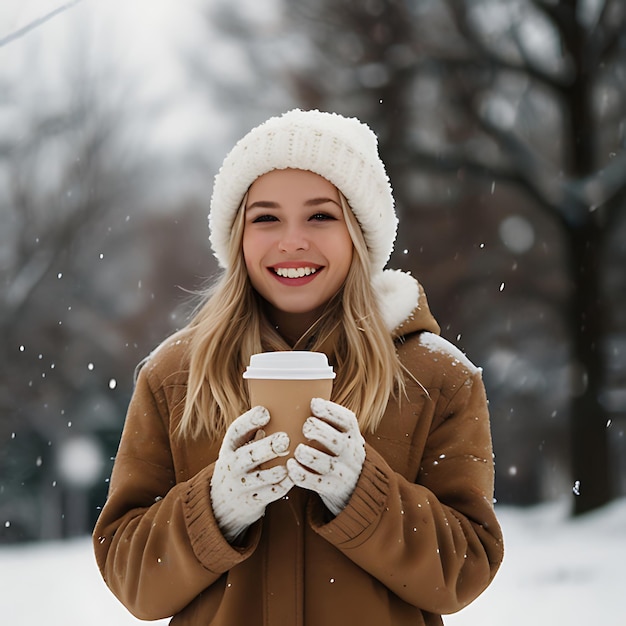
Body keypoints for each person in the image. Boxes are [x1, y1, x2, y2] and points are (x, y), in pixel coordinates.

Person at [93, 109, 503, 626]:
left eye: (321, 216)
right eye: (265, 217)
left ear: (360, 232)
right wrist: (214, 510)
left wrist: (364, 495)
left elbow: (465, 568)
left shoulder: (436, 377)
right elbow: (131, 578)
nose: (292, 241)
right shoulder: (175, 376)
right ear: (237, 237)